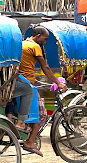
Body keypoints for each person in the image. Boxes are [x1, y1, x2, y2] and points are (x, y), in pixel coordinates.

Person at [15, 26, 67, 156]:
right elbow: (45, 67)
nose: (45, 42)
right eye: (45, 39)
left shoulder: (22, 44)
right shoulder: (34, 46)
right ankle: (30, 142)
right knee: (42, 114)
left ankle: (28, 131)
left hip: (19, 81)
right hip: (26, 85)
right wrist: (58, 83)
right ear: (38, 36)